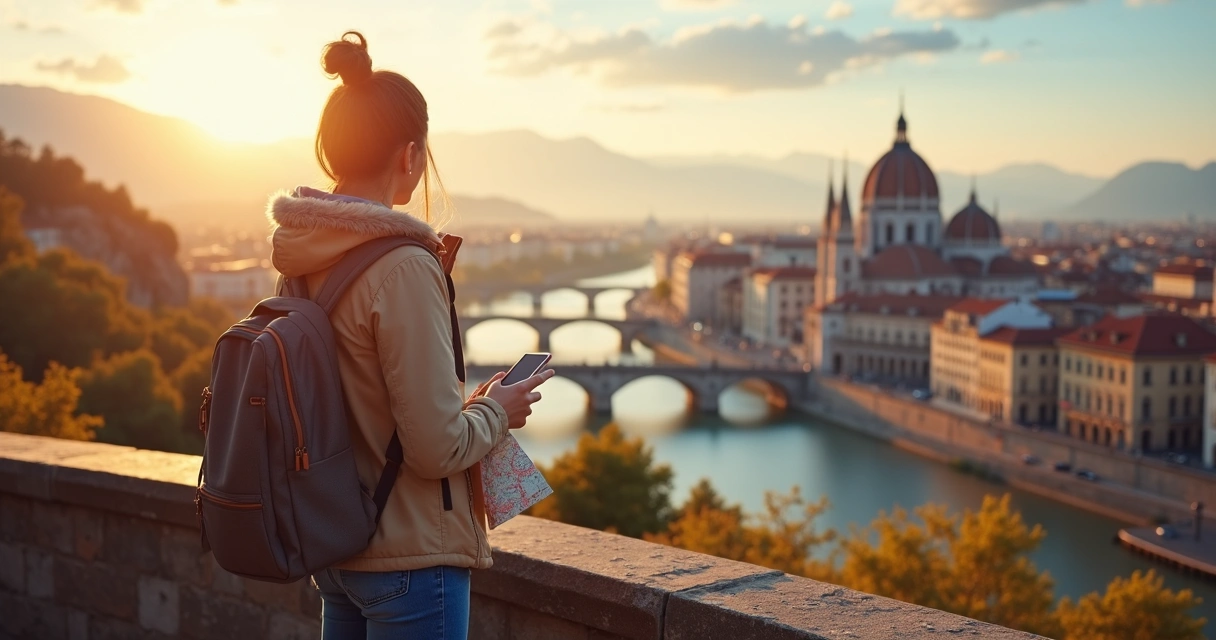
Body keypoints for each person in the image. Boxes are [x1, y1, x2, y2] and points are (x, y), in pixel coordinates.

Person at [266, 31, 552, 640]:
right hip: (411, 559)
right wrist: (496, 413)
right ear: (411, 155)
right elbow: (435, 448)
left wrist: (467, 410)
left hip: (337, 546)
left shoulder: (304, 256)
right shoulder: (403, 264)